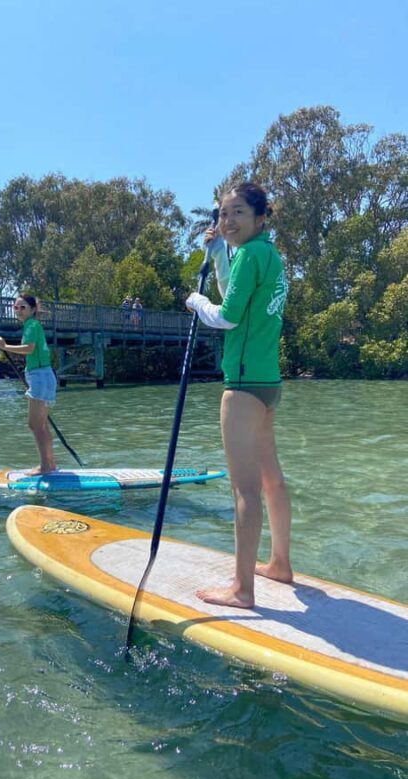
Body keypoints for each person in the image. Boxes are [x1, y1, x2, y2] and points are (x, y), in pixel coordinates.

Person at [185, 182, 292, 608]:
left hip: (243, 384)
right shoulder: (267, 254)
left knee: (244, 491)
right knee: (271, 480)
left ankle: (242, 589)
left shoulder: (249, 254)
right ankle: (280, 564)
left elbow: (227, 315)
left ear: (260, 218)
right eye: (222, 214)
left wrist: (196, 301)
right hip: (268, 383)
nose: (227, 221)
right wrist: (216, 256)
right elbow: (238, 294)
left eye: (237, 214)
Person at [0, 295, 57, 475]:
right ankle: (50, 464)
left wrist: (5, 347)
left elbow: (29, 348)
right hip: (45, 375)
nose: (18, 311)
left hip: (39, 376)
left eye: (22, 307)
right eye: (16, 307)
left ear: (33, 309)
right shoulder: (33, 325)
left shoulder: (31, 325)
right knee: (42, 425)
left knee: (35, 425)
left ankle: (45, 467)